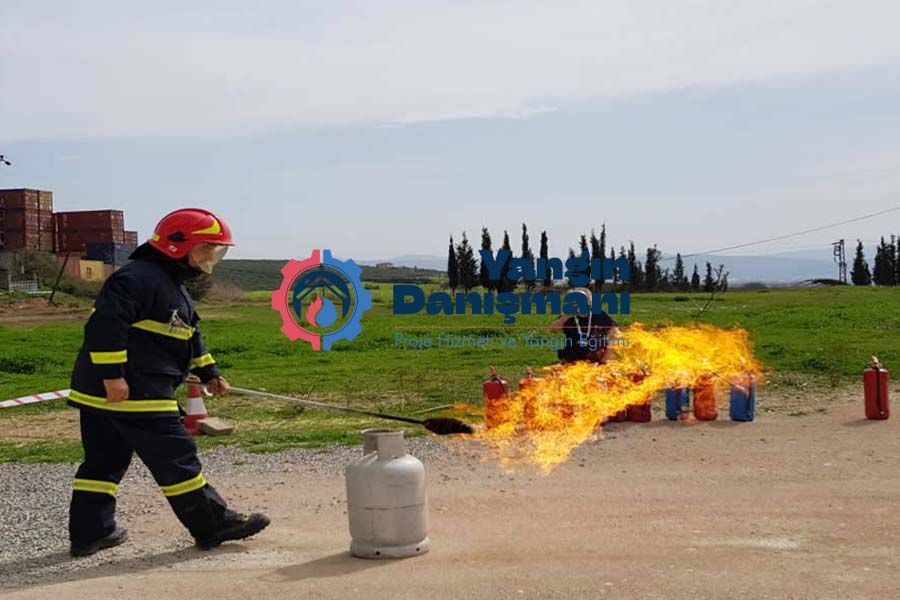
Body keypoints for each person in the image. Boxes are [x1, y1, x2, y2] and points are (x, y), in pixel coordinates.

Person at [67, 208, 270, 557]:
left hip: (112, 392)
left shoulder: (172, 288)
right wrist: (114, 377)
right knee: (177, 457)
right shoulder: (136, 279)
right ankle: (212, 525)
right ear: (179, 245)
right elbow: (104, 330)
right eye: (207, 249)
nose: (211, 258)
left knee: (103, 463)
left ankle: (91, 533)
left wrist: (211, 373)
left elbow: (190, 337)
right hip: (135, 390)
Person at [549, 287, 618, 364]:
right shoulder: (568, 316)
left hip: (597, 360)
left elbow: (616, 334)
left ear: (589, 302)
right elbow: (552, 330)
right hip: (571, 360)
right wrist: (564, 319)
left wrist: (607, 356)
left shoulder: (599, 315)